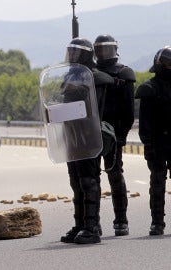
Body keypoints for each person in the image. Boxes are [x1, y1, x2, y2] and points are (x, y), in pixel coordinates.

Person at [60, 38, 113, 244]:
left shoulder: (94, 78)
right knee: (75, 181)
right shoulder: (69, 77)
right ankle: (80, 224)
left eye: (76, 53)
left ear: (85, 54)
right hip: (72, 135)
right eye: (70, 52)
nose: (71, 56)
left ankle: (92, 227)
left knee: (88, 181)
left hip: (88, 136)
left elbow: (93, 109)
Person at [93, 34, 136, 236]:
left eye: (107, 49)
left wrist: (121, 136)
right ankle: (92, 222)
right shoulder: (88, 73)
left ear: (115, 50)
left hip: (113, 133)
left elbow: (128, 111)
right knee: (91, 179)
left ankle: (121, 220)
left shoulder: (123, 73)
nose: (103, 53)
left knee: (115, 175)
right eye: (99, 49)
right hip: (91, 133)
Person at [135, 46, 171, 235]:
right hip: (157, 142)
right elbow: (145, 122)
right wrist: (148, 144)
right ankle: (157, 222)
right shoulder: (149, 88)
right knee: (157, 183)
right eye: (167, 62)